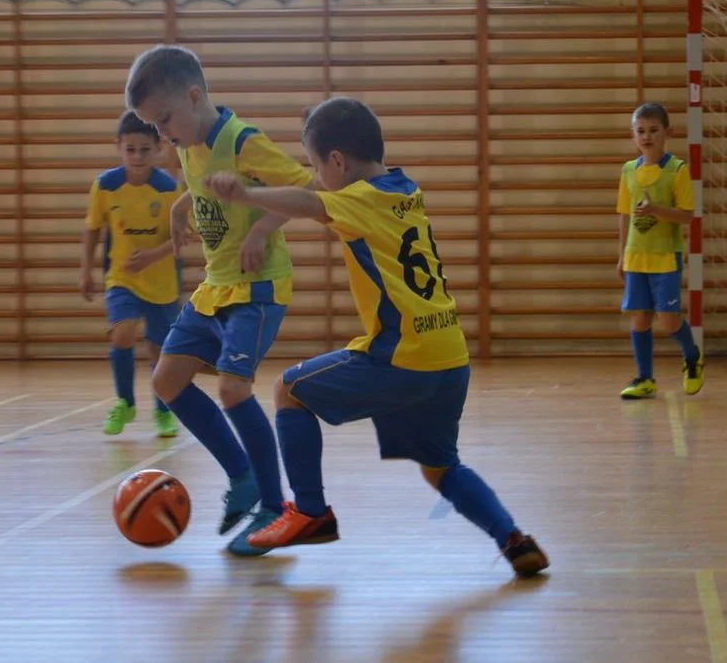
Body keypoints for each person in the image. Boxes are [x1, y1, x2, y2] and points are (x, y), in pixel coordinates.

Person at [202, 97, 549, 578]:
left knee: (288, 390)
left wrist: (245, 195)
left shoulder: (358, 198)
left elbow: (309, 203)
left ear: (338, 162)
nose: (317, 176)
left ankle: (309, 512)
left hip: (401, 355)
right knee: (441, 467)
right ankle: (513, 538)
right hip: (449, 357)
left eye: (317, 166)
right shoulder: (404, 188)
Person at [124, 44, 316, 556]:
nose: (161, 135)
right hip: (215, 287)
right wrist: (181, 206)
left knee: (233, 389)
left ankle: (276, 508)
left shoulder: (243, 141)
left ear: (193, 97)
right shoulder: (187, 145)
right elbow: (201, 182)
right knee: (166, 380)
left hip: (257, 289)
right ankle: (244, 478)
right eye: (153, 126)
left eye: (164, 120)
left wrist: (263, 228)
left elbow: (310, 189)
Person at [81, 110, 183, 438]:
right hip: (121, 277)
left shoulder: (169, 189)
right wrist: (86, 269)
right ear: (119, 147)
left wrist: (153, 255)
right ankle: (125, 402)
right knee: (122, 332)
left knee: (158, 349)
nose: (137, 156)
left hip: (161, 281)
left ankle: (163, 410)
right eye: (130, 149)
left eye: (144, 149)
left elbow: (182, 237)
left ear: (158, 148)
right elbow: (93, 229)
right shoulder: (106, 186)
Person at [616, 103, 704, 400]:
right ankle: (645, 378)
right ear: (633, 136)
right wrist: (621, 255)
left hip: (665, 257)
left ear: (668, 132)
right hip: (635, 257)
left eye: (653, 130)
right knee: (640, 319)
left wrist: (655, 210)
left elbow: (687, 216)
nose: (647, 136)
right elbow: (625, 215)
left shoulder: (677, 170)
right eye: (640, 131)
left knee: (668, 319)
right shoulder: (628, 170)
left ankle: (692, 356)